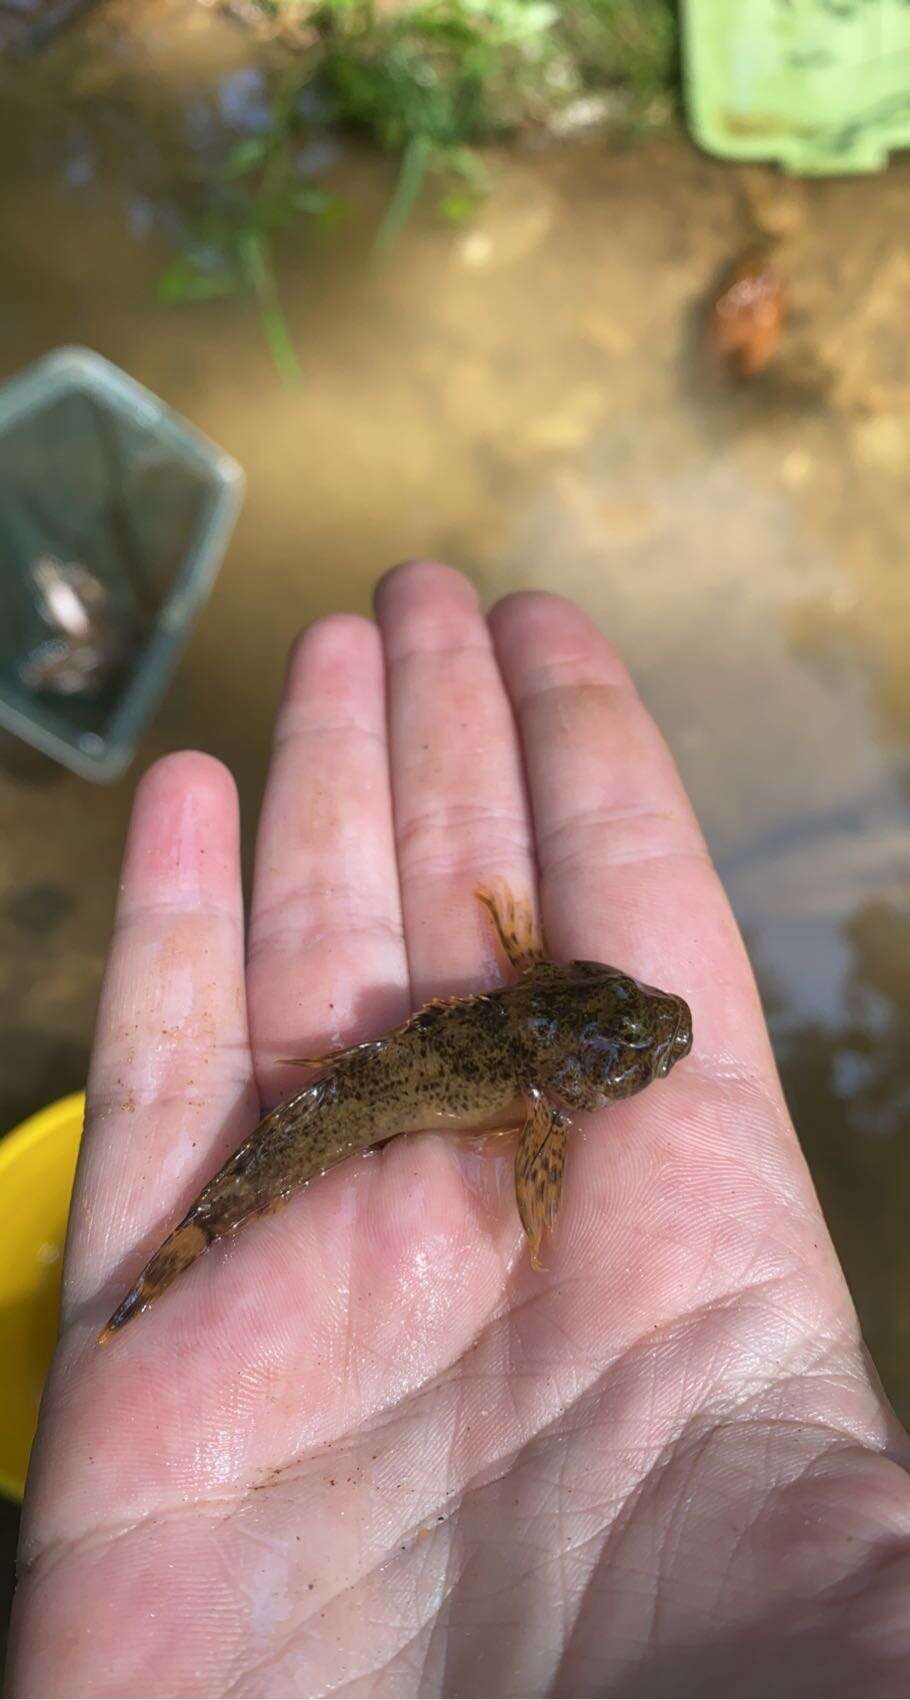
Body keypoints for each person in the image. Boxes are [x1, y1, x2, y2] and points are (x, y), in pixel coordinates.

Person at [8, 562, 910, 1698]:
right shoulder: (546, 1098)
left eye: (636, 1046)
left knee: (309, 1123)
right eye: (637, 1049)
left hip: (384, 1075)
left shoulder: (536, 1002)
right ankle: (164, 1267)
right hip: (374, 1085)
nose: (660, 1042)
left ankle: (160, 1274)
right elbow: (530, 1136)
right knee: (289, 1146)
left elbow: (516, 957)